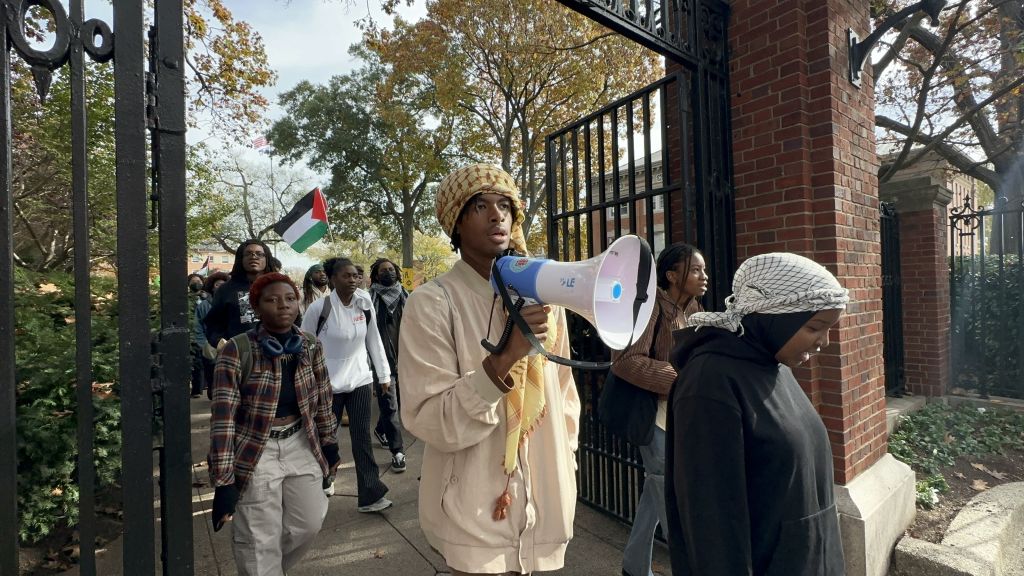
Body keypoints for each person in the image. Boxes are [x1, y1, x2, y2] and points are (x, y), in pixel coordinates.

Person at [399, 163, 581, 575]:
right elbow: (429, 418)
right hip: (472, 519)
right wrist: (505, 358)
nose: (497, 215)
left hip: (547, 511)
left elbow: (566, 394)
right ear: (457, 223)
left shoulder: (545, 298)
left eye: (505, 205)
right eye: (480, 205)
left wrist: (566, 464)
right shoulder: (432, 302)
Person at [666, 252, 849, 576]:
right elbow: (712, 528)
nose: (825, 341)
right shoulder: (710, 384)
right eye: (815, 326)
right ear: (776, 317)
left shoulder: (773, 365)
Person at [208, 272, 339, 576]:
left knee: (308, 523)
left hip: (300, 442)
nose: (283, 305)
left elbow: (322, 398)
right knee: (258, 538)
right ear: (257, 307)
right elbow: (223, 418)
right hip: (256, 449)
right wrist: (224, 480)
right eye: (272, 299)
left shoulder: (310, 345)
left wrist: (329, 443)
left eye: (290, 298)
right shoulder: (236, 350)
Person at [616, 242, 707, 576]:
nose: (704, 277)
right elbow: (624, 361)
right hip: (652, 415)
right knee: (668, 490)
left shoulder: (695, 309)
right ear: (671, 275)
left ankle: (634, 567)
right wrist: (679, 380)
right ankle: (690, 564)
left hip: (681, 415)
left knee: (656, 488)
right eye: (695, 270)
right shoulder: (650, 308)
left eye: (703, 270)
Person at [301, 257, 393, 512]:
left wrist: (383, 375)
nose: (353, 280)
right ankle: (324, 478)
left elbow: (374, 340)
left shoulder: (364, 305)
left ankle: (371, 494)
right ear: (332, 279)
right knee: (324, 438)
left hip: (360, 379)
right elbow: (304, 347)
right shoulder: (318, 309)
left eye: (356, 275)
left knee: (361, 437)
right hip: (326, 384)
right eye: (346, 276)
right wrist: (306, 382)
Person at [367, 257, 408, 472]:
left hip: (405, 360)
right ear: (375, 275)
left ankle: (381, 429)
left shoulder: (405, 296)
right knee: (390, 405)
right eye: (383, 270)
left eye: (391, 269)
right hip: (382, 363)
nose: (388, 273)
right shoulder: (368, 300)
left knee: (399, 402)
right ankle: (398, 452)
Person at [204, 240, 273, 350]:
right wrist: (219, 342)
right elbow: (213, 325)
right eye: (248, 254)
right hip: (240, 355)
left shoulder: (278, 286)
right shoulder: (225, 290)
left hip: (277, 352)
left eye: (259, 254)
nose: (254, 256)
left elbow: (295, 319)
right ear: (241, 259)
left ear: (267, 258)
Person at [195, 271, 230, 399]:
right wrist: (203, 344)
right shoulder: (203, 306)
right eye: (217, 284)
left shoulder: (232, 302)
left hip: (230, 345)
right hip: (210, 346)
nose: (220, 287)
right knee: (212, 376)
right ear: (211, 287)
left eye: (224, 284)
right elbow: (198, 326)